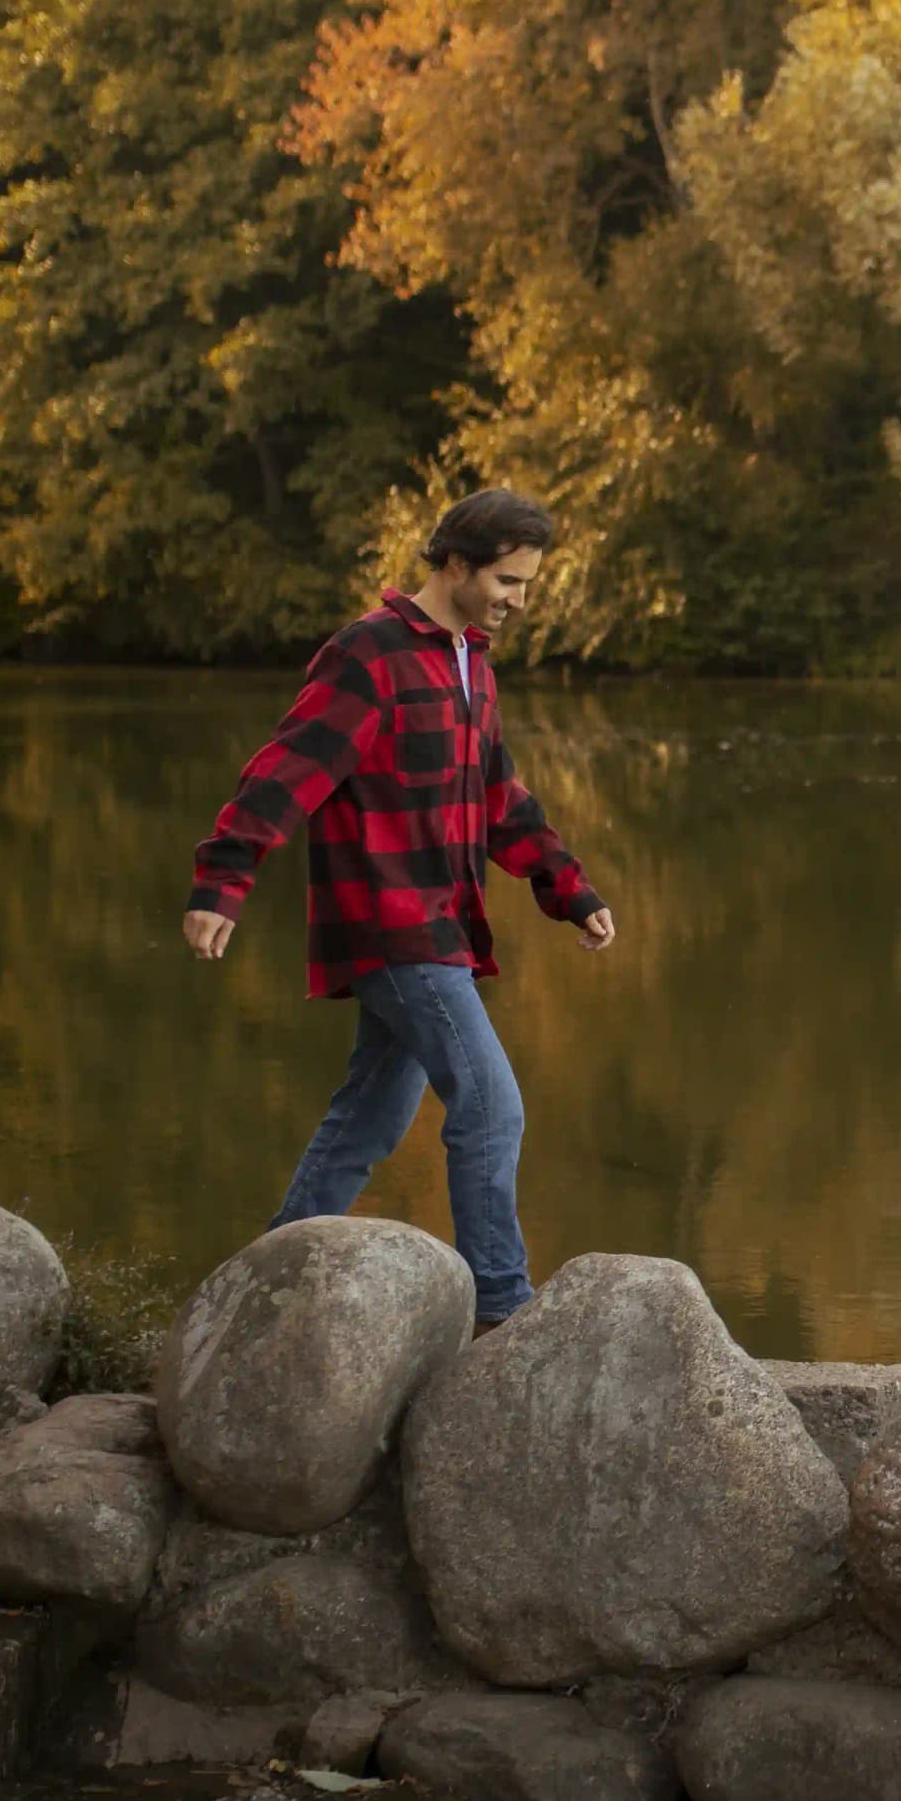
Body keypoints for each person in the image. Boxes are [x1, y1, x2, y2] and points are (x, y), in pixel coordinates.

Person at [180, 489, 614, 1331]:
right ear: (454, 563)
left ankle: (259, 1289)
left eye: (527, 584)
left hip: (442, 925)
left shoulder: (469, 661)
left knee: (369, 1119)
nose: (519, 600)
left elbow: (499, 797)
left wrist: (569, 889)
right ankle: (500, 1305)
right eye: (507, 581)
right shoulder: (369, 654)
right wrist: (223, 880)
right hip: (389, 922)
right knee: (490, 1105)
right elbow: (285, 771)